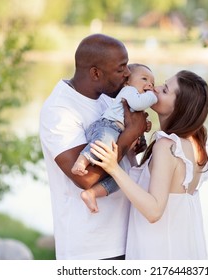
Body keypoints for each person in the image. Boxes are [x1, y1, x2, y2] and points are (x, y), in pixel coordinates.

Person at [39, 34, 149, 260]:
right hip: (91, 247)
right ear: (95, 73)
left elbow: (122, 152)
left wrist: (134, 144)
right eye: (121, 69)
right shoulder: (60, 110)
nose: (128, 73)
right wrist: (128, 136)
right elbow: (85, 177)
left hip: (129, 237)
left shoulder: (109, 98)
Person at [89, 70, 208, 259]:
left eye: (164, 90)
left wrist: (113, 168)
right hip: (179, 248)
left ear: (179, 107)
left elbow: (154, 211)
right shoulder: (197, 145)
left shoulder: (166, 146)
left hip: (158, 251)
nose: (154, 89)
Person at [72, 63, 157, 213]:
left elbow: (134, 122)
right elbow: (137, 105)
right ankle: (82, 160)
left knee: (120, 178)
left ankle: (92, 193)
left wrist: (144, 127)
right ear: (127, 82)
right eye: (144, 79)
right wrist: (152, 95)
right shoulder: (128, 91)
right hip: (107, 127)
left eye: (152, 83)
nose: (149, 84)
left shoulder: (135, 97)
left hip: (116, 133)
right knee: (104, 143)